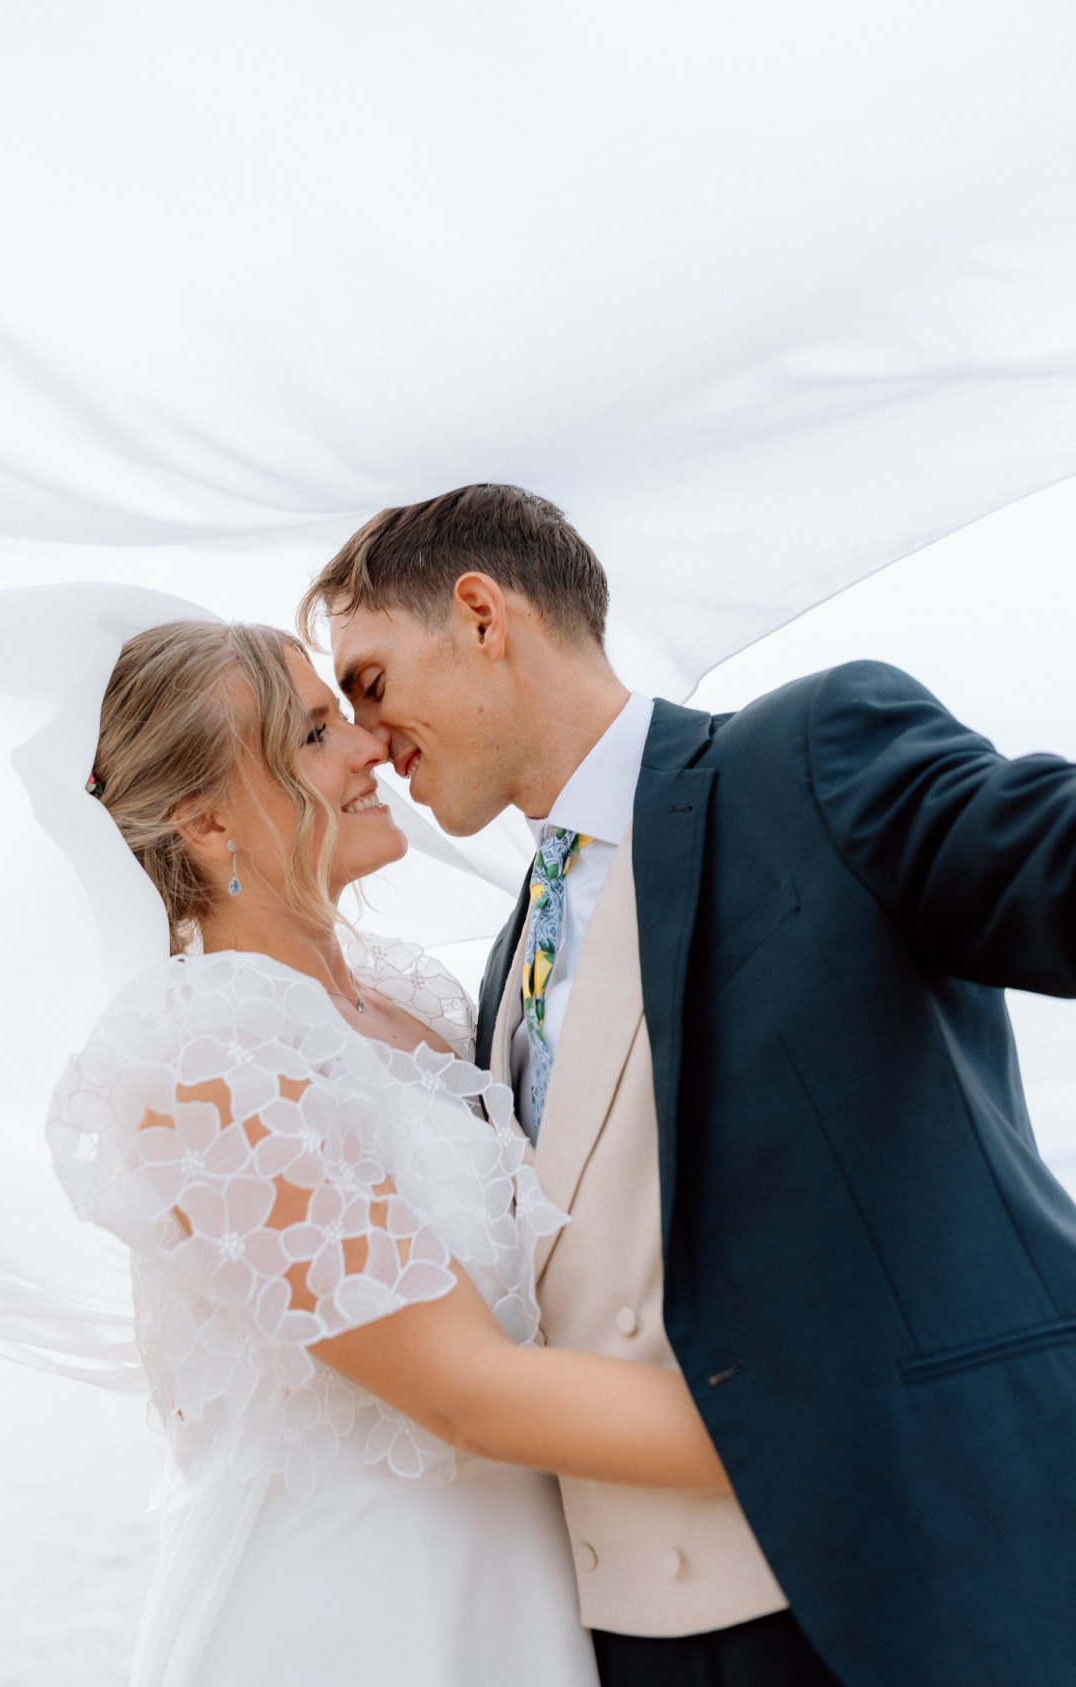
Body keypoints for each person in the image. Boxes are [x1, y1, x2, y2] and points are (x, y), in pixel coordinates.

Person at [304, 481, 1076, 1687]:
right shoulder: (508, 966)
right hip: (632, 1639)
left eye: (369, 680)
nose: (366, 738)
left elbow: (1052, 864)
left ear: (481, 614)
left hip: (915, 1569)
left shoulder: (807, 757)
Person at [48, 618, 729, 1687]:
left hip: (535, 1580)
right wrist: (815, 1433)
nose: (371, 744)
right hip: (357, 1612)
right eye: (316, 731)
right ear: (209, 822)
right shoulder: (201, 1059)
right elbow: (463, 1387)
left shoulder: (414, 1003)